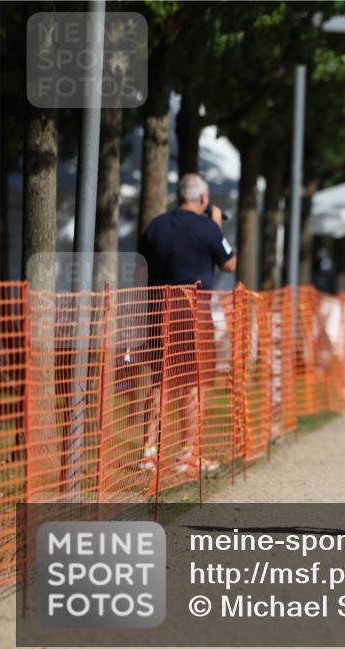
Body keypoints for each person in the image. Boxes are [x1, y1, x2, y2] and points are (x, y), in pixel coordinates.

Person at [138, 173, 236, 477]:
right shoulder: (208, 227)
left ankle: (148, 453)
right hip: (194, 313)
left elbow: (142, 263)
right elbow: (229, 262)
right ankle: (187, 453)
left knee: (160, 381)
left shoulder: (156, 226)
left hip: (159, 310)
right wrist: (217, 226)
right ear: (203, 199)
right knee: (193, 383)